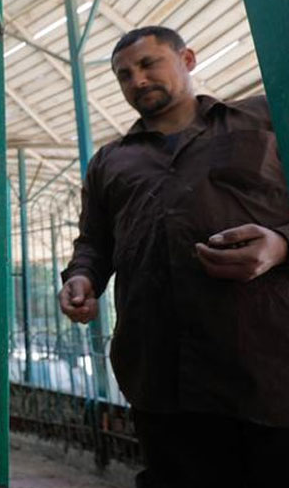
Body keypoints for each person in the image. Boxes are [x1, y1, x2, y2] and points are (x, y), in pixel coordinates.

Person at [59, 26, 289, 488]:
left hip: (266, 366)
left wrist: (282, 243)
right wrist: (83, 277)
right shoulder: (109, 161)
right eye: (124, 75)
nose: (136, 80)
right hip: (160, 375)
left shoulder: (265, 118)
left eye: (148, 64)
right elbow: (94, 242)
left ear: (188, 59)